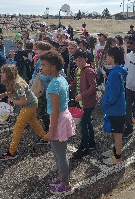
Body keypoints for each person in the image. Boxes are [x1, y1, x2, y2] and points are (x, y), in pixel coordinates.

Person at [40, 50, 76, 195]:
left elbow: (54, 111)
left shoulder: (54, 86)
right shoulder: (61, 79)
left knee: (60, 155)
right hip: (62, 117)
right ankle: (61, 177)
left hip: (58, 119)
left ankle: (66, 184)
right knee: (57, 152)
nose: (41, 67)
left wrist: (51, 132)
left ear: (53, 67)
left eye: (43, 65)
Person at [0, 64, 46, 160]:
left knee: (18, 126)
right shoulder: (15, 80)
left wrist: (12, 102)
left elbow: (23, 100)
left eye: (3, 72)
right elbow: (14, 92)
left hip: (29, 105)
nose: (1, 74)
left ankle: (11, 152)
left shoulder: (17, 84)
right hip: (31, 104)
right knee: (33, 122)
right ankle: (45, 138)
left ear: (8, 74)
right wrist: (5, 94)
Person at [70, 49, 98, 159]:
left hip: (89, 102)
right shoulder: (78, 69)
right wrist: (67, 87)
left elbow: (93, 87)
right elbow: (75, 82)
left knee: (84, 124)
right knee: (88, 122)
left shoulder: (89, 71)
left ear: (85, 59)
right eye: (76, 60)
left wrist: (82, 95)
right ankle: (91, 143)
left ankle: (84, 147)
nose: (78, 62)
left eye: (80, 60)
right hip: (82, 102)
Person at [102, 47, 128, 165]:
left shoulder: (114, 74)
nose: (106, 58)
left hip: (115, 109)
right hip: (118, 108)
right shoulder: (119, 71)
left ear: (112, 57)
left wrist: (106, 104)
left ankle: (118, 157)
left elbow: (113, 95)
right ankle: (115, 151)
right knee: (115, 132)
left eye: (107, 56)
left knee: (117, 134)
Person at [30, 41, 52, 134]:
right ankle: (45, 127)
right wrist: (32, 80)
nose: (34, 51)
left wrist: (40, 77)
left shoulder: (49, 61)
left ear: (43, 50)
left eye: (36, 49)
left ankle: (48, 130)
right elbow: (36, 72)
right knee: (41, 110)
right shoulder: (40, 60)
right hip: (41, 89)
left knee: (46, 111)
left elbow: (49, 75)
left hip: (47, 89)